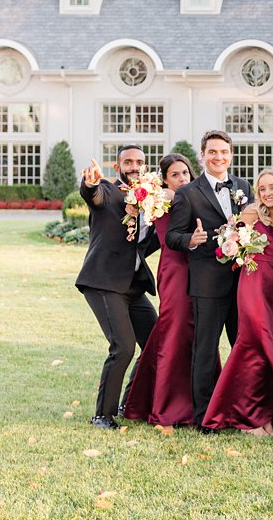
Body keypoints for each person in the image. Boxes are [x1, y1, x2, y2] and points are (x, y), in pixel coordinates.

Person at [167, 129, 253, 431]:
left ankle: (243, 410)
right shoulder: (188, 193)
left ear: (231, 155)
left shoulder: (243, 186)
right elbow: (171, 236)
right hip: (206, 283)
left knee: (243, 346)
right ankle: (205, 416)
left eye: (224, 152)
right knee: (205, 348)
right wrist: (192, 238)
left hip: (242, 282)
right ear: (202, 155)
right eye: (213, 152)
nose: (219, 157)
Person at [75, 146, 159, 430]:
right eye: (128, 162)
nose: (134, 166)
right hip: (103, 282)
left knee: (155, 344)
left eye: (139, 162)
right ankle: (102, 415)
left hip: (132, 285)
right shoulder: (109, 192)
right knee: (123, 347)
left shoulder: (151, 199)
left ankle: (129, 403)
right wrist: (91, 184)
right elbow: (93, 195)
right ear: (118, 166)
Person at [204, 168, 273, 435]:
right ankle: (248, 418)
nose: (267, 193)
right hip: (253, 282)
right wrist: (234, 243)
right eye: (262, 188)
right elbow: (229, 239)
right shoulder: (253, 213)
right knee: (254, 343)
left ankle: (267, 414)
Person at [122, 152, 197, 427]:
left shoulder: (195, 196)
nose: (181, 179)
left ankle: (191, 399)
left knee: (191, 330)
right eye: (174, 175)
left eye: (185, 173)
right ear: (164, 179)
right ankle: (165, 404)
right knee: (174, 328)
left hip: (198, 270)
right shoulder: (163, 197)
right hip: (175, 270)